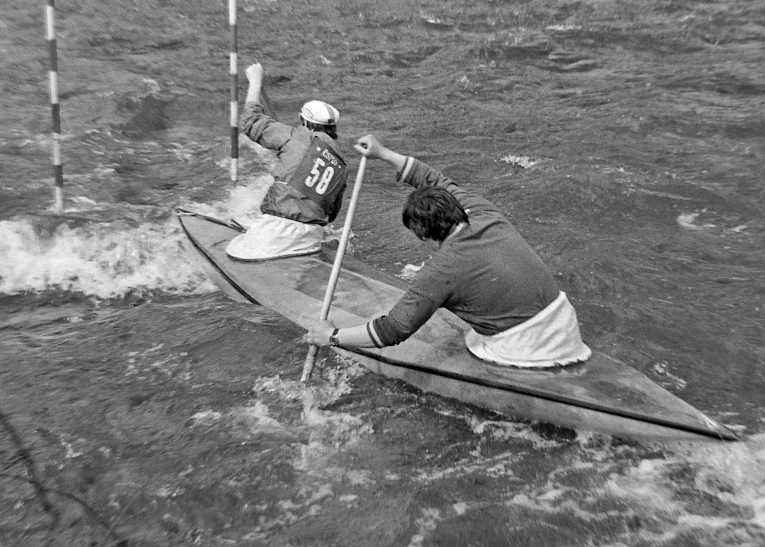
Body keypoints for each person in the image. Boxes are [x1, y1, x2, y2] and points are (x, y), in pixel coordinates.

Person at [302, 135, 591, 368]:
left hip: (528, 347)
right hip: (565, 321)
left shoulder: (440, 271)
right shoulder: (482, 211)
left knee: (469, 338)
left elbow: (392, 330)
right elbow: (436, 180)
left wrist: (333, 336)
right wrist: (384, 153)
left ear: (424, 235)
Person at [226, 63, 349, 260]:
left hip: (276, 234)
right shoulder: (342, 165)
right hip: (311, 239)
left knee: (235, 251)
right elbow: (332, 214)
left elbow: (250, 121)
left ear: (305, 123)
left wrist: (255, 81)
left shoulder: (296, 137)